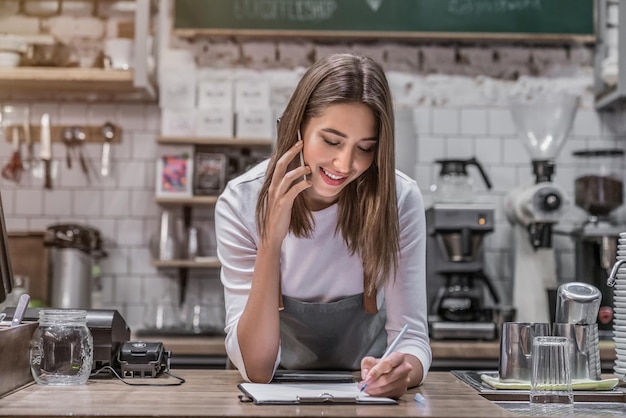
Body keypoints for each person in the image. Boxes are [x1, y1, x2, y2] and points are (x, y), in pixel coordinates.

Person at [215, 53, 431, 398]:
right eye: (331, 141)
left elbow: (414, 339)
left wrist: (403, 370)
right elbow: (256, 369)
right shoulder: (240, 203)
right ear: (297, 126)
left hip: (366, 398)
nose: (345, 164)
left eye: (365, 148)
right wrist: (271, 241)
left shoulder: (399, 199)